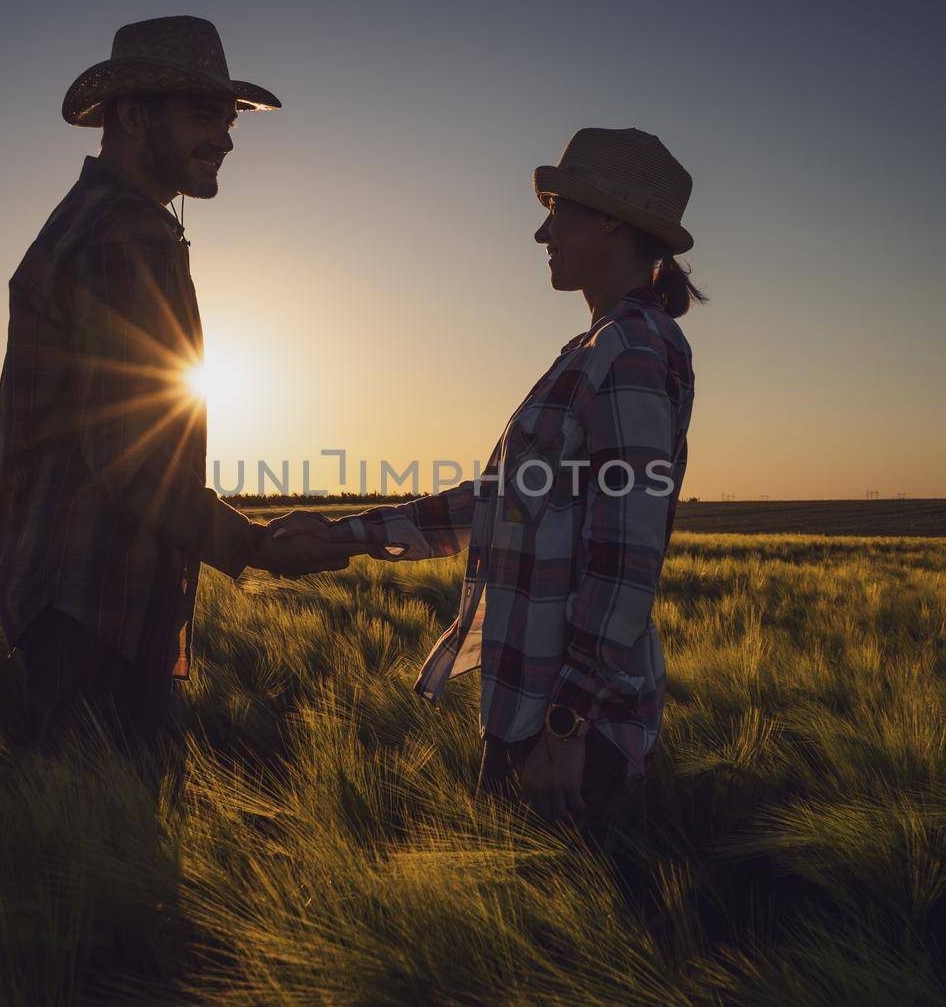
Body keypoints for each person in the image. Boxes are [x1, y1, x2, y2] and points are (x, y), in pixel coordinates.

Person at [277, 127, 699, 889]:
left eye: (558, 211)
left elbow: (628, 559)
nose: (542, 232)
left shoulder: (630, 349)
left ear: (608, 220)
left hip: (569, 730)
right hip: (530, 712)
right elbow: (498, 504)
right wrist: (341, 535)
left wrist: (567, 724)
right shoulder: (596, 347)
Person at [0, 16, 353, 761]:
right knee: (102, 851)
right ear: (131, 114)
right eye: (199, 115)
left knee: (82, 849)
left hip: (76, 603)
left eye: (226, 119)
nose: (223, 137)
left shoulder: (95, 223)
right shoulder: (126, 237)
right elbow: (131, 456)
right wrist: (251, 545)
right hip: (94, 610)